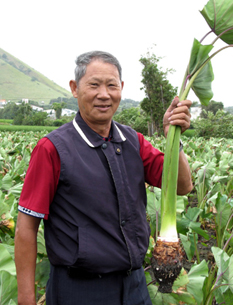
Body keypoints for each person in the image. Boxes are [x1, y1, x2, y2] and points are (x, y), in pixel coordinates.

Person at [15, 50, 193, 305]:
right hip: (79, 290)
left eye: (111, 85)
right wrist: (26, 300)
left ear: (121, 88)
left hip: (135, 287)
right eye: (94, 85)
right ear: (75, 89)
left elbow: (183, 186)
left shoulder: (134, 141)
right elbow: (26, 228)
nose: (104, 94)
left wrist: (173, 138)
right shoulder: (52, 149)